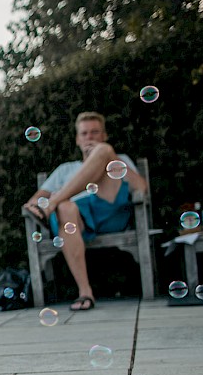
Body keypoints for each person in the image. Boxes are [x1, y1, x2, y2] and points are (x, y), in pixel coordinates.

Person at [23, 111, 148, 311]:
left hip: (108, 209)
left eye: (95, 132)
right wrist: (33, 205)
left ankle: (54, 201)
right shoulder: (65, 169)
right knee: (66, 207)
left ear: (104, 135)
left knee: (104, 153)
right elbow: (34, 201)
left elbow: (141, 188)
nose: (89, 137)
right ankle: (85, 292)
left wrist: (110, 156)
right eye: (84, 133)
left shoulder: (119, 158)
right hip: (73, 220)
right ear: (77, 139)